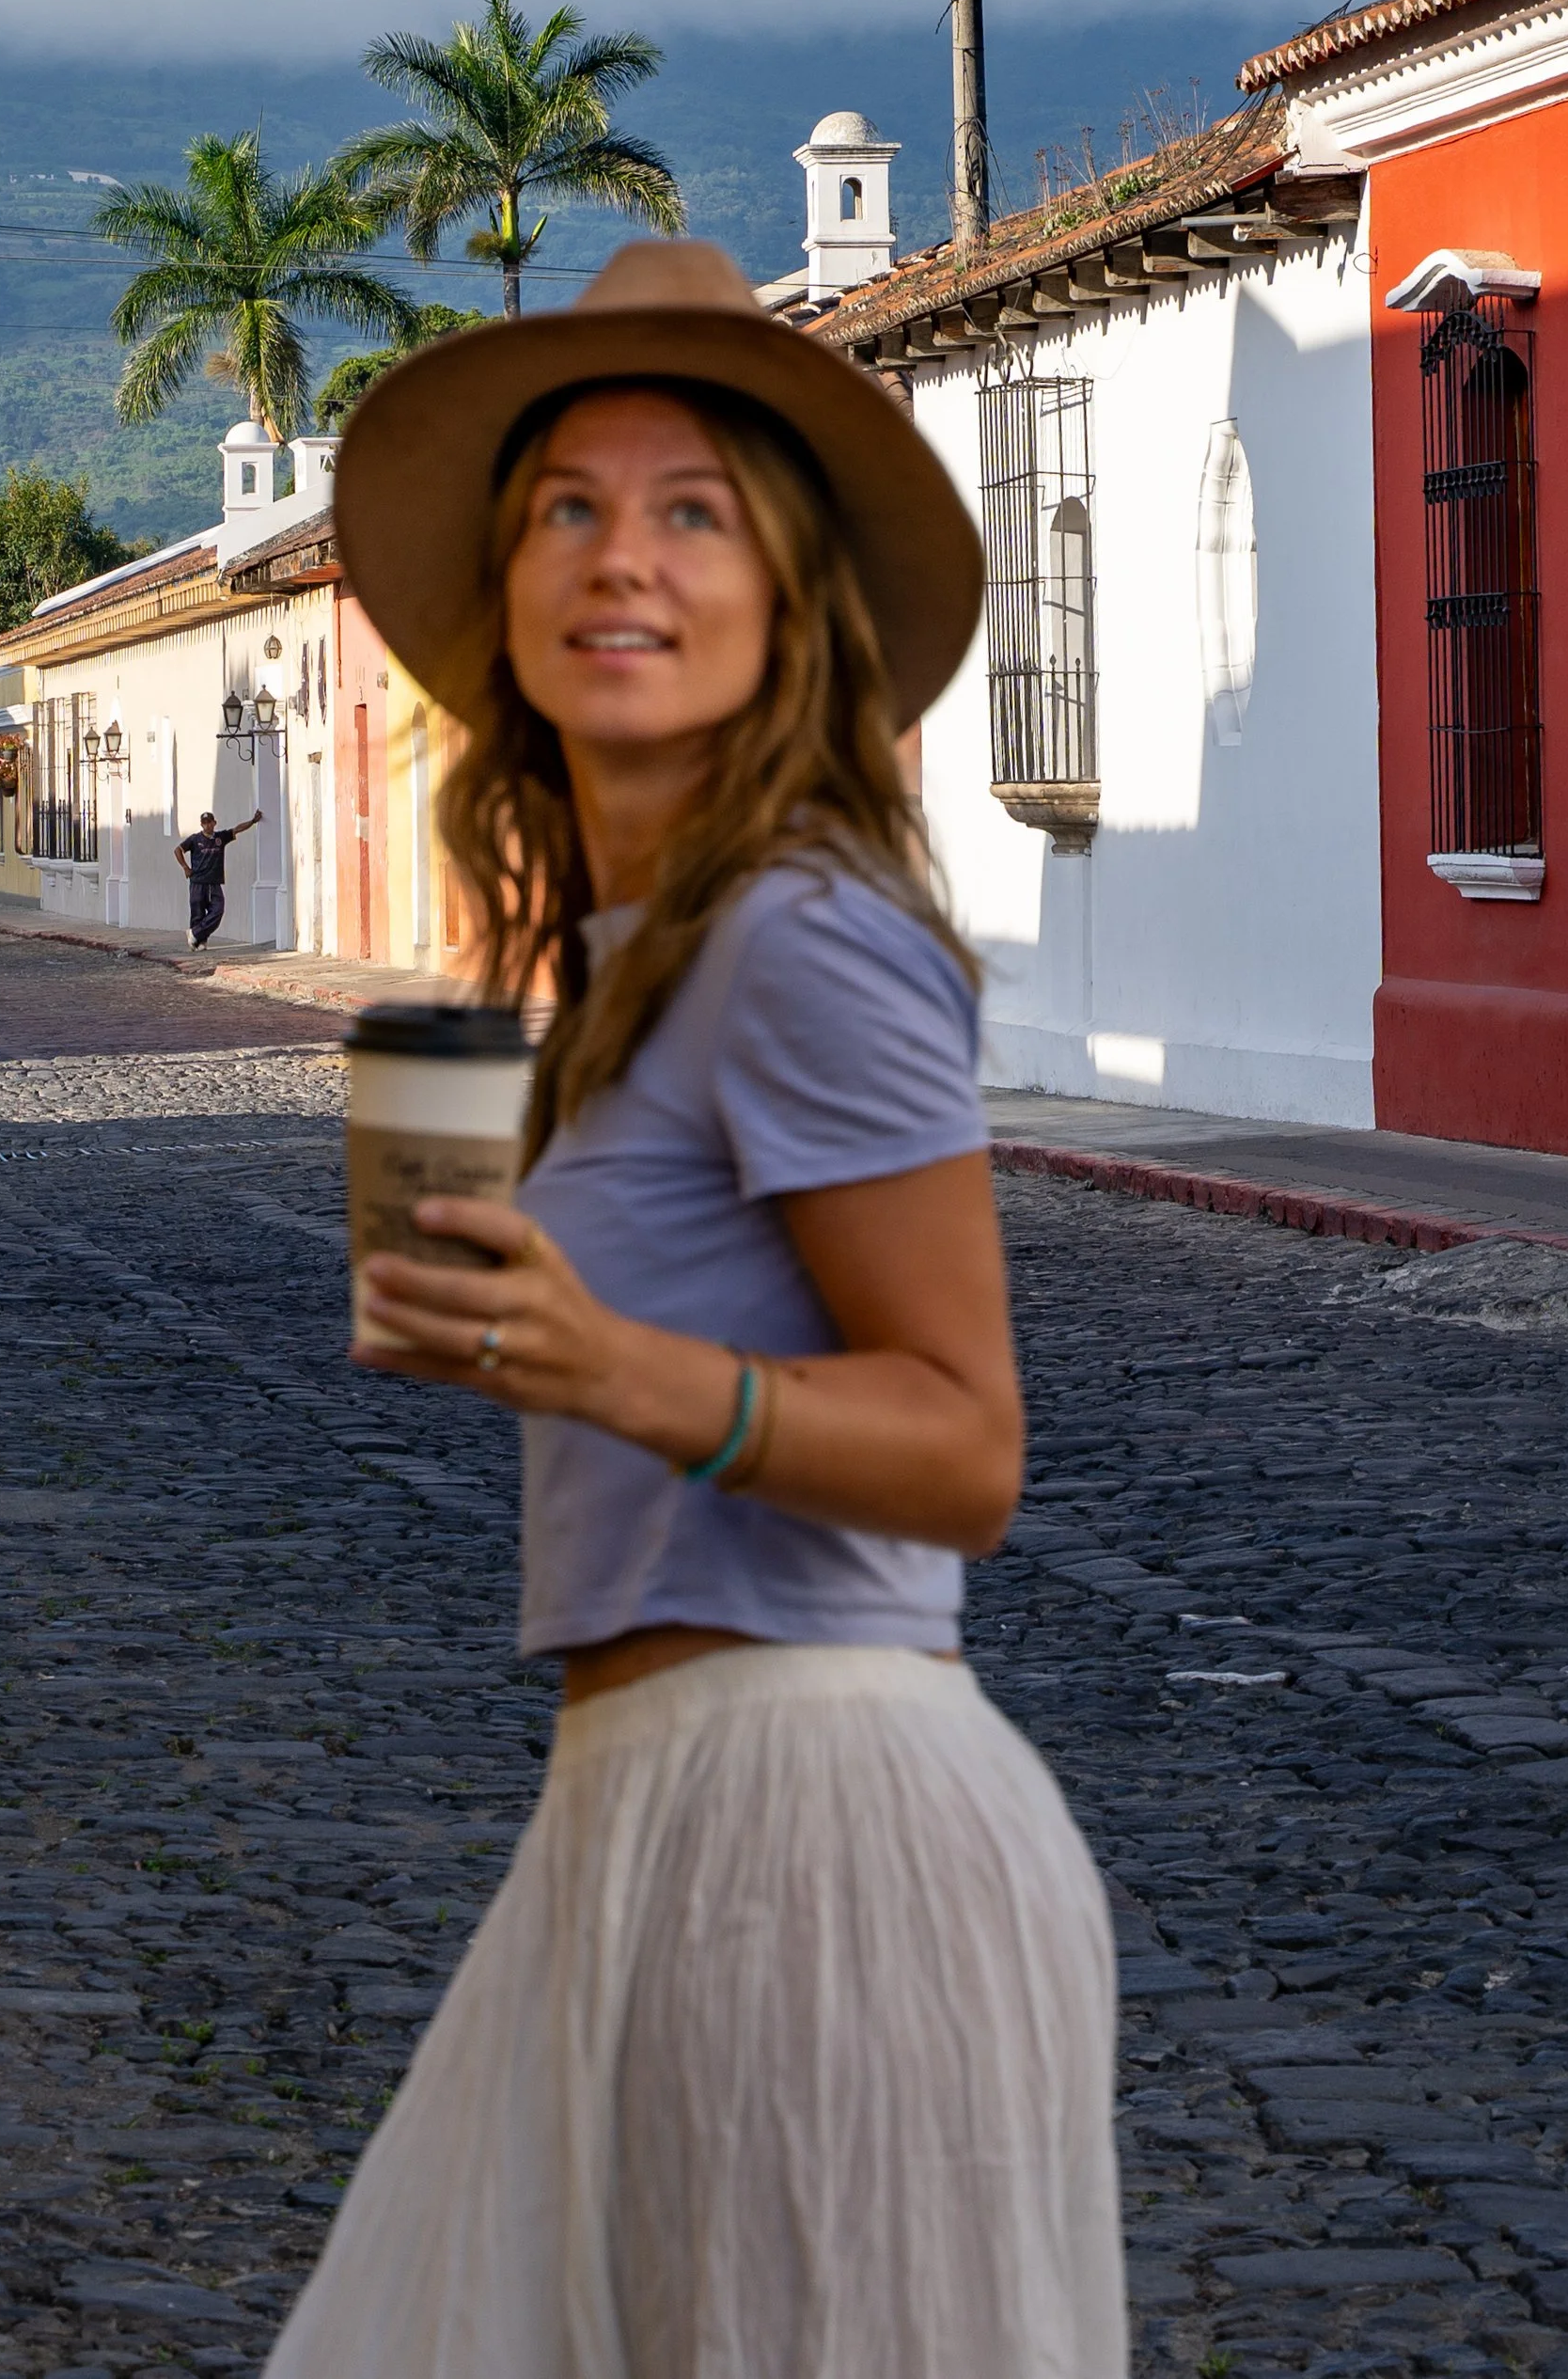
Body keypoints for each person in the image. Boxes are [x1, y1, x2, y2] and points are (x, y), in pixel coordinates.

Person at [270, 239, 1124, 2379]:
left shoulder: (804, 932)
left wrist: (620, 1366)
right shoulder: (646, 954)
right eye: (567, 500)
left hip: (821, 1832)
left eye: (690, 507)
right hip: (649, 1805)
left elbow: (970, 1442)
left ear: (785, 597)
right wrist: (519, 1337)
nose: (617, 554)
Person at [173, 803, 259, 951]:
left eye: (210, 822)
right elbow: (178, 850)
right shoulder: (195, 839)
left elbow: (237, 829)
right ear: (201, 824)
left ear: (214, 823)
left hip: (214, 882)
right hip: (198, 881)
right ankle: (198, 942)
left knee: (218, 910)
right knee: (197, 912)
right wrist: (186, 868)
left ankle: (194, 933)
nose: (207, 826)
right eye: (204, 823)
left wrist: (252, 821)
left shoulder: (220, 838)